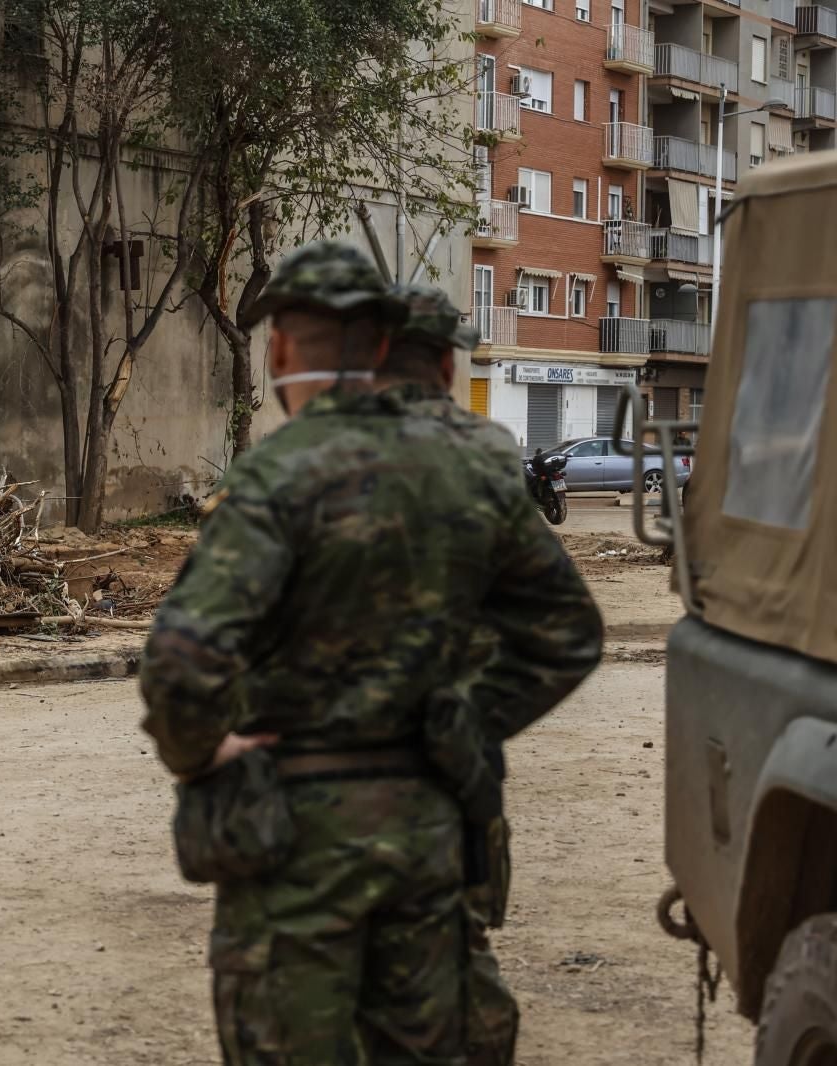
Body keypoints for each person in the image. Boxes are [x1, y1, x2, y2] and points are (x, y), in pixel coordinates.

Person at [139, 242, 604, 1065]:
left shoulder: (279, 474)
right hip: (427, 825)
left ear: (279, 347)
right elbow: (566, 634)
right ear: (386, 349)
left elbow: (183, 657)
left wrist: (201, 751)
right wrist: (464, 719)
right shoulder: (469, 468)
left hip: (294, 834)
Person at [386, 282, 526, 1066]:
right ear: (446, 361)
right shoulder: (489, 454)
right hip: (458, 747)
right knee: (462, 945)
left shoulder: (321, 454)